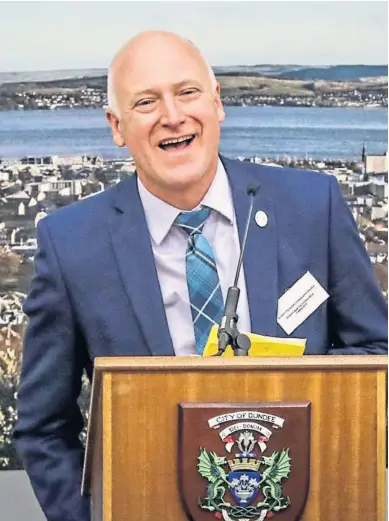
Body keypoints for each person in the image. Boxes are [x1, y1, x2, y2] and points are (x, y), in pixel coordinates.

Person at [14, 31, 387, 521]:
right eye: (145, 101)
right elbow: (42, 428)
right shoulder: (71, 245)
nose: (172, 115)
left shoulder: (312, 208)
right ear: (116, 126)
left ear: (218, 103)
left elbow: (376, 361)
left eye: (187, 92)